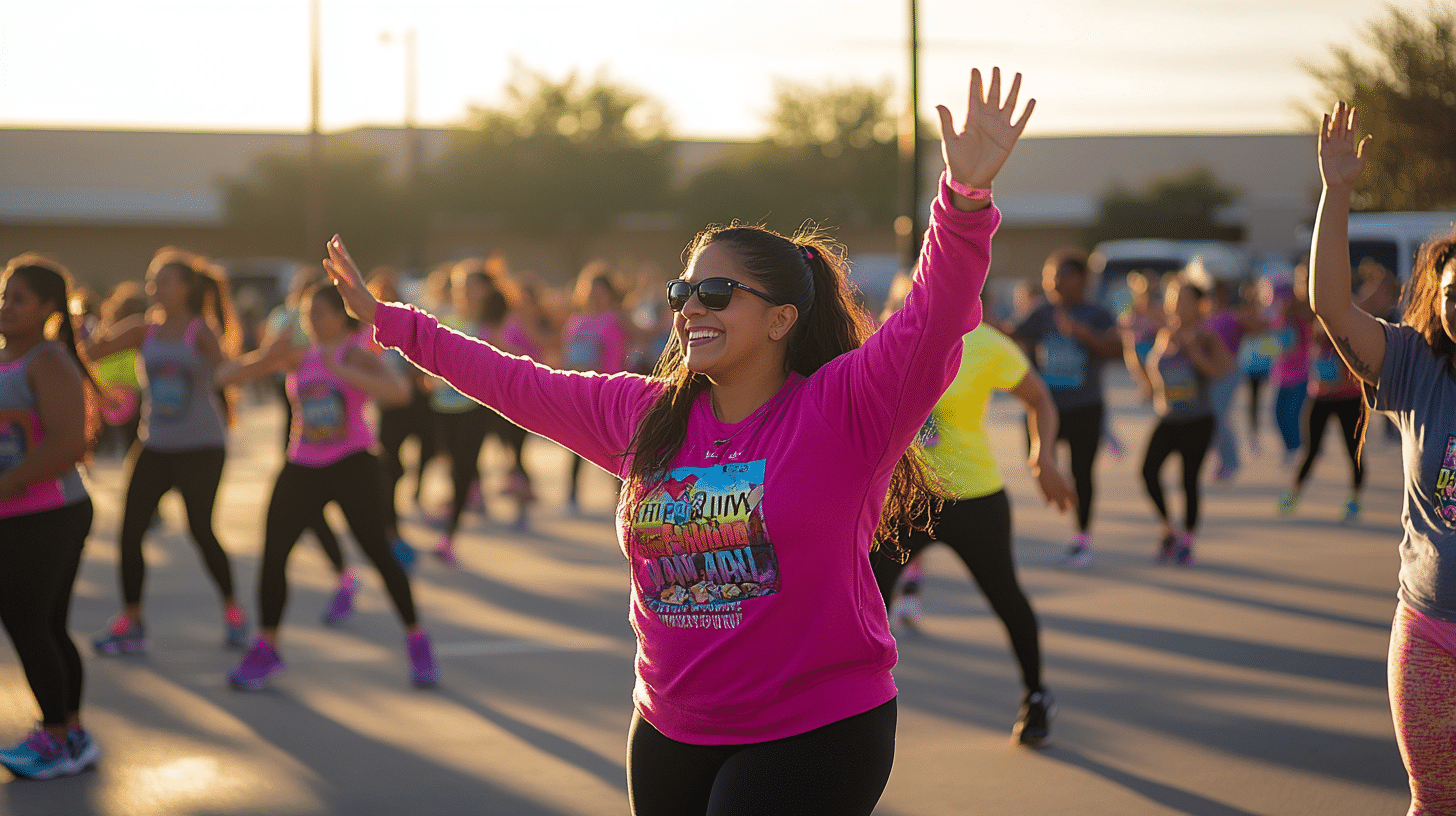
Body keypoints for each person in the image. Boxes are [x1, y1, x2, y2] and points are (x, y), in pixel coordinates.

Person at [324, 67, 1032, 816]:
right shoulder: (645, 417)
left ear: (782, 318)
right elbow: (515, 384)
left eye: (717, 293)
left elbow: (934, 315)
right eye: (682, 293)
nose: (691, 307)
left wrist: (962, 203)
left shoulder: (843, 408)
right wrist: (396, 325)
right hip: (668, 726)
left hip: (815, 729)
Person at [1309, 103, 1456, 814]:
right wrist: (1338, 194)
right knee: (1433, 801)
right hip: (1429, 630)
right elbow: (1331, 305)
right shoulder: (1414, 364)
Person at [870, 299, 1075, 747]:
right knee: (864, 606)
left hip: (974, 498)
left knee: (1006, 596)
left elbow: (1038, 397)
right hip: (906, 501)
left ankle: (1036, 696)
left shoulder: (984, 344)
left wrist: (1043, 455)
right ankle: (849, 716)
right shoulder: (886, 341)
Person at [217, 283, 436, 688]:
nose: (310, 321)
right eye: (306, 314)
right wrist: (267, 356)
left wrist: (344, 371)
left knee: (379, 553)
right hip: (302, 464)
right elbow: (226, 375)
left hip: (353, 464)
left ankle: (417, 640)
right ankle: (267, 648)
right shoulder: (301, 356)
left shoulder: (354, 352)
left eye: (318, 313)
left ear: (340, 316)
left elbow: (400, 392)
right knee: (275, 553)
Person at [85, 247, 248, 654]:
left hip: (202, 447)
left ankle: (233, 612)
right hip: (154, 444)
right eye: (152, 279)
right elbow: (94, 352)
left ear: (186, 288)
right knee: (130, 532)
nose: (154, 286)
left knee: (200, 530)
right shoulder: (144, 328)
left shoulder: (200, 331)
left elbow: (228, 372)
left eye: (164, 280)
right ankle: (133, 622)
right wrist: (70, 330)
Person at [0, 255, 101, 779]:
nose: (6, 306)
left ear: (46, 308)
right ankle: (73, 733)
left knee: (26, 618)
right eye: (4, 296)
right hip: (14, 513)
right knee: (48, 623)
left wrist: (10, 482)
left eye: (19, 298)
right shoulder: (4, 360)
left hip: (51, 513)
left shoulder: (49, 361)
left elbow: (71, 443)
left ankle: (55, 738)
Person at [1013, 249, 1122, 568]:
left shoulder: (1097, 314)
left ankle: (1083, 537)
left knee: (1083, 472)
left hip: (1086, 407)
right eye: (1048, 277)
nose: (1053, 282)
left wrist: (1084, 335)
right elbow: (1014, 336)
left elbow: (1116, 350)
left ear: (1082, 280)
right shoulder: (1041, 312)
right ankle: (1053, 477)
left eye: (1060, 275)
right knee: (1038, 457)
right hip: (1047, 409)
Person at [1139, 277, 1235, 565]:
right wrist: (1135, 351)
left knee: (1188, 481)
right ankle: (1169, 529)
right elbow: (1151, 382)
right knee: (1148, 472)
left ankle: (1188, 540)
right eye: (1172, 298)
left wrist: (1193, 351)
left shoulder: (1207, 337)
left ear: (1199, 305)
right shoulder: (1163, 335)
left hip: (1197, 420)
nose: (1176, 304)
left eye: (1183, 299)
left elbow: (1223, 372)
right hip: (1168, 417)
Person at [561, 263, 630, 514]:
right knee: (576, 446)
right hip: (580, 391)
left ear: (609, 294)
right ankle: (571, 494)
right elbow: (567, 355)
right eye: (591, 289)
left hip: (606, 392)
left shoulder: (614, 321)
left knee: (614, 446)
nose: (594, 295)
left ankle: (622, 497)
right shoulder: (576, 321)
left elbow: (616, 356)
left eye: (600, 290)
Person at [1278, 320, 1365, 520]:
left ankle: (1354, 499)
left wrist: (1332, 382)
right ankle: (1293, 495)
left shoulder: (1346, 335)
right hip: (1320, 398)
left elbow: (1347, 376)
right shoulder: (1312, 336)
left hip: (1348, 400)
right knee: (1311, 450)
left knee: (1354, 451)